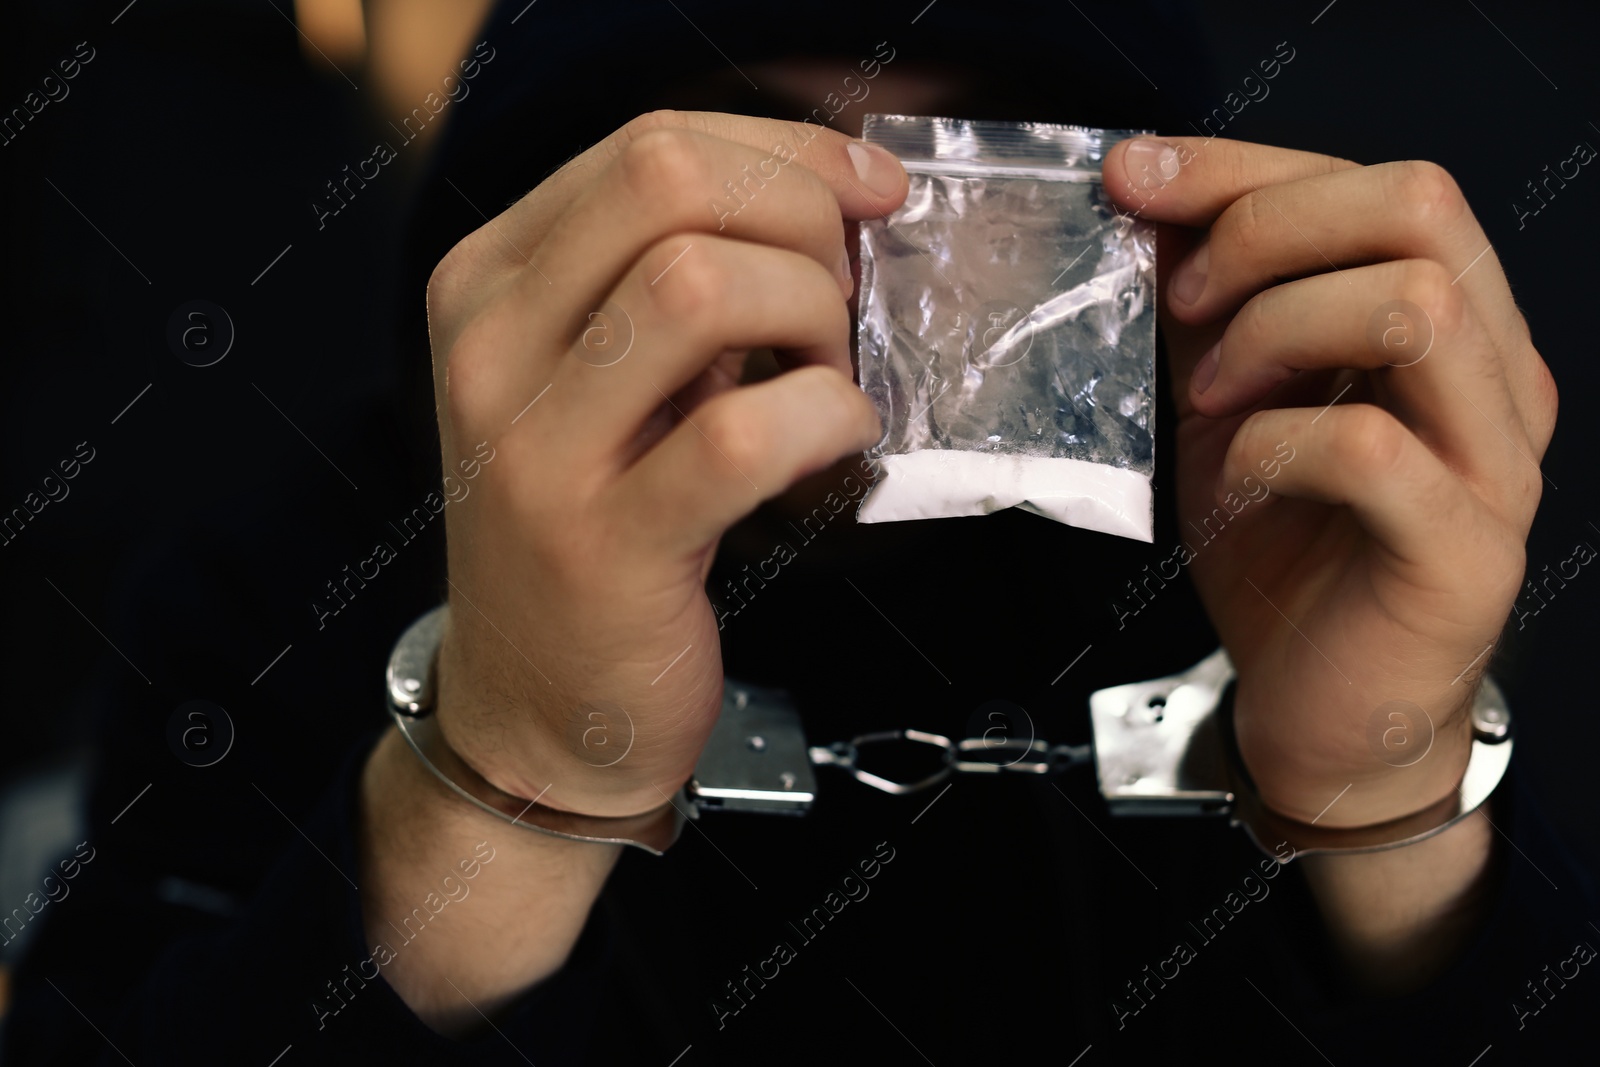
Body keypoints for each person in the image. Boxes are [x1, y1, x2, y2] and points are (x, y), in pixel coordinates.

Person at [5, 1, 1595, 1063]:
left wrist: (1387, 801)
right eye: (739, 178)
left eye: (988, 180)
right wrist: (507, 782)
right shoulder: (276, 582)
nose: (863, 304)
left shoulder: (1279, 538)